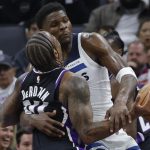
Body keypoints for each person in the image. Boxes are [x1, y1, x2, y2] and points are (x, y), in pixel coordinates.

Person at [2, 2, 139, 149]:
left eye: (65, 20)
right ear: (43, 32)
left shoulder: (89, 42)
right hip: (71, 140)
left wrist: (120, 102)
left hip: (105, 130)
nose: (63, 26)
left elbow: (128, 74)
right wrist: (31, 118)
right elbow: (16, 113)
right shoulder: (37, 66)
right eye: (55, 24)